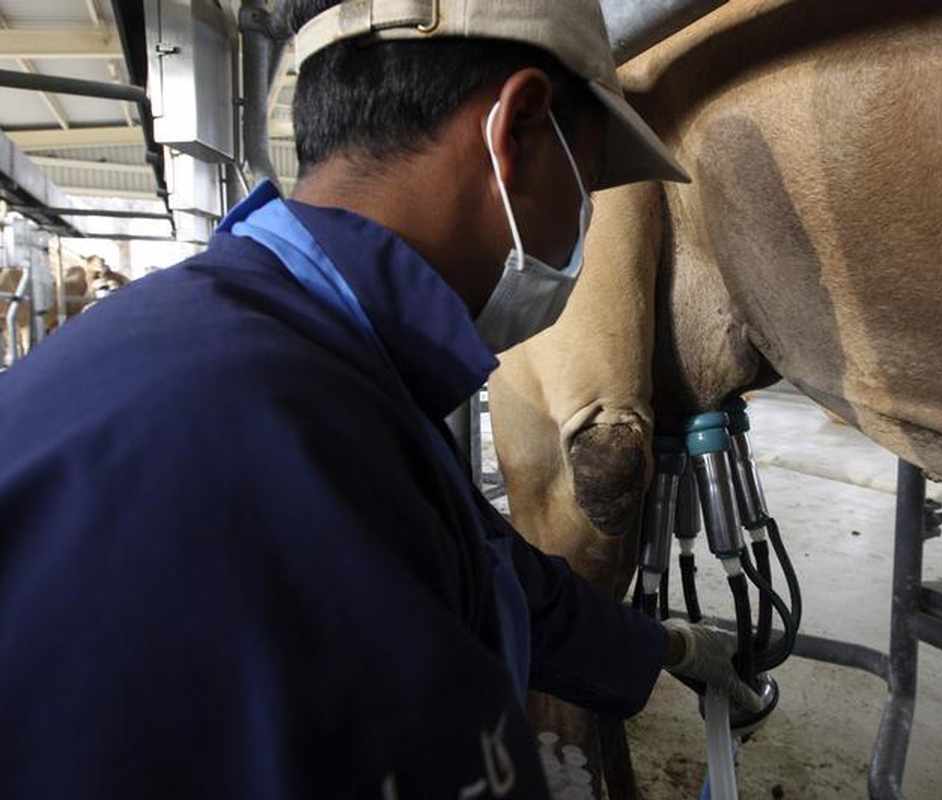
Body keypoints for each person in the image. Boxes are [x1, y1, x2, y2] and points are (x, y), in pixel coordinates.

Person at [0, 1, 762, 797]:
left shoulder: (281, 343)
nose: (581, 225)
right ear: (518, 131)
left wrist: (662, 649)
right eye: (588, 187)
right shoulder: (289, 441)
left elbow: (483, 564)